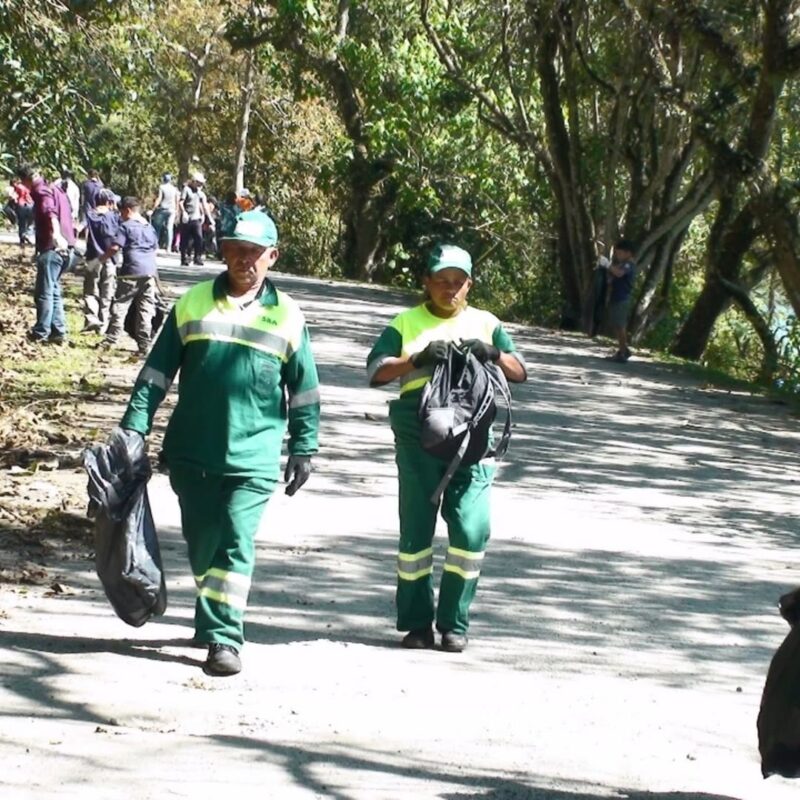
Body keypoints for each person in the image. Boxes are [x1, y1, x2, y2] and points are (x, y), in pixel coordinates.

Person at [118, 209, 321, 676]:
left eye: (252, 251)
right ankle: (212, 614)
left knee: (235, 539)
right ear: (222, 251)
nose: (242, 259)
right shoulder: (191, 304)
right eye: (233, 249)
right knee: (202, 543)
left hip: (254, 455)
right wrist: (135, 424)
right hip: (193, 452)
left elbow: (304, 388)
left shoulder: (288, 316)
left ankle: (224, 636)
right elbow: (157, 373)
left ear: (272, 256)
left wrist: (304, 447)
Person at [366, 244, 527, 653]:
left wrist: (491, 352)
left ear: (469, 285)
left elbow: (520, 371)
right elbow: (375, 371)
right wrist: (417, 358)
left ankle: (454, 623)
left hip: (473, 436)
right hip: (417, 432)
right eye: (441, 281)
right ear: (426, 282)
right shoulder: (406, 321)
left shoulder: (486, 322)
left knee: (472, 530)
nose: (449, 290)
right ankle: (417, 624)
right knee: (416, 530)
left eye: (458, 283)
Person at [17, 164, 77, 344]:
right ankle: (58, 332)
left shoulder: (41, 191)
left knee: (43, 293)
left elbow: (50, 212)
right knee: (54, 291)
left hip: (53, 248)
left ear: (25, 180)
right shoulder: (56, 189)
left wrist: (56, 235)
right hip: (68, 248)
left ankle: (40, 331)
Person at [100, 196, 158, 354]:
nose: (120, 216)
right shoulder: (149, 227)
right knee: (145, 310)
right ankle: (144, 344)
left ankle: (111, 340)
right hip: (149, 273)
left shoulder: (125, 226)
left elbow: (115, 247)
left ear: (127, 211)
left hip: (131, 272)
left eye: (121, 213)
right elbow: (154, 249)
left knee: (120, 306)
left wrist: (99, 260)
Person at [82, 189, 120, 333]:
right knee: (107, 292)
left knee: (90, 291)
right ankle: (103, 325)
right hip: (110, 258)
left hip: (93, 258)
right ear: (110, 202)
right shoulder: (114, 217)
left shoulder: (90, 214)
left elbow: (80, 228)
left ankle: (92, 319)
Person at [605, 238, 636, 362]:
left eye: (619, 253)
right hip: (616, 296)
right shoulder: (621, 264)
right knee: (617, 325)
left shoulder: (629, 265)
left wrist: (608, 265)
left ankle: (623, 352)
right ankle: (623, 349)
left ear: (628, 253)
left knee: (620, 325)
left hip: (622, 298)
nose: (618, 256)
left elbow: (619, 274)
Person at [179, 172, 210, 266]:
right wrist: (183, 212)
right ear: (194, 181)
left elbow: (201, 204)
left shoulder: (199, 192)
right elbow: (180, 202)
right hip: (187, 218)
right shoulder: (186, 189)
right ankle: (185, 258)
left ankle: (197, 257)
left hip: (196, 218)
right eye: (199, 183)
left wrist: (203, 215)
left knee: (199, 238)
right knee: (186, 239)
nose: (200, 185)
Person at [151, 173, 179, 251]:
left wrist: (153, 209)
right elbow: (177, 200)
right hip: (172, 210)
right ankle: (168, 247)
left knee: (157, 227)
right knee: (170, 228)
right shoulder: (174, 188)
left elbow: (159, 198)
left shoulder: (162, 187)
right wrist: (177, 210)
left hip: (163, 208)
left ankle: (155, 245)